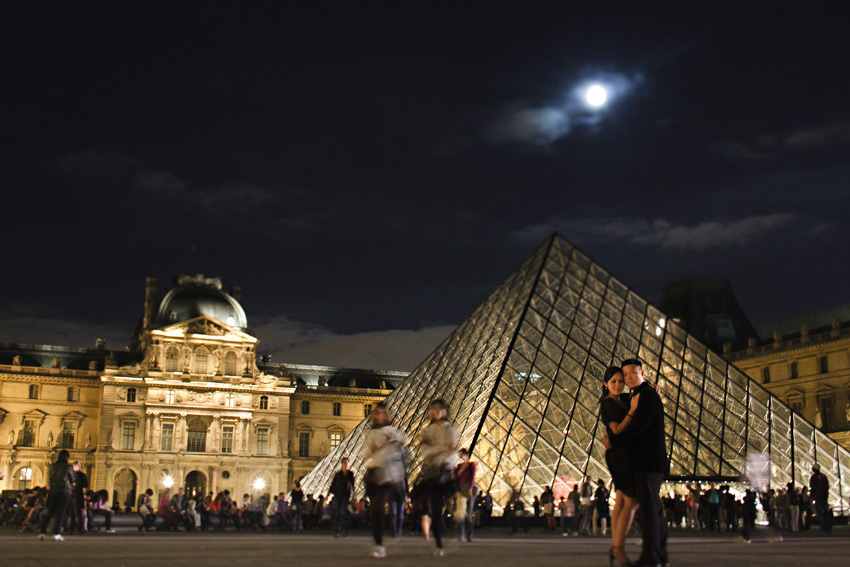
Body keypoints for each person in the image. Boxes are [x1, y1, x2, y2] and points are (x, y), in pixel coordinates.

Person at [609, 359, 669, 567]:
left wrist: (613, 441)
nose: (628, 377)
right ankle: (659, 557)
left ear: (642, 373)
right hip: (647, 464)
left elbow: (638, 429)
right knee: (654, 512)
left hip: (648, 463)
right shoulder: (638, 395)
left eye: (633, 372)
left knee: (650, 514)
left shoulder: (646, 396)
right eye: (625, 374)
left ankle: (651, 558)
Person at [600, 366, 641, 564]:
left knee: (622, 499)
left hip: (622, 453)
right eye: (613, 381)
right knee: (631, 501)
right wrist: (632, 411)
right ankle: (618, 547)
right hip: (620, 455)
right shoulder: (608, 404)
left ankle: (617, 546)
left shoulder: (623, 399)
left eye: (620, 380)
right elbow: (615, 430)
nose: (618, 385)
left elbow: (641, 390)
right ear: (605, 384)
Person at [364, 403, 407, 558]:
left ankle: (380, 543)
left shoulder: (395, 432)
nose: (379, 415)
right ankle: (378, 543)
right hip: (375, 473)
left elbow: (401, 447)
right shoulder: (372, 433)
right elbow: (368, 452)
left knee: (381, 509)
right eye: (376, 413)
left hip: (389, 475)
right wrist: (381, 445)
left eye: (382, 412)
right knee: (376, 510)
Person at [419, 399, 459, 556]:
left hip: (446, 469)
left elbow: (452, 448)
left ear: (445, 411)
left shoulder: (450, 429)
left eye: (438, 409)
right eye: (433, 409)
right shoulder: (426, 430)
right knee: (435, 510)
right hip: (434, 470)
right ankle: (438, 543)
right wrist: (443, 448)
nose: (435, 412)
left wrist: (434, 447)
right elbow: (429, 452)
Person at [39, 449, 75, 541]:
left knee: (50, 512)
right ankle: (56, 533)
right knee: (61, 512)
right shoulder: (68, 467)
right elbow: (73, 481)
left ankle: (42, 532)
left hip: (54, 491)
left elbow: (50, 478)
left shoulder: (52, 466)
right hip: (65, 491)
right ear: (67, 457)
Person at [454, 448, 477, 542]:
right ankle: (461, 534)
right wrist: (459, 471)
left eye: (462, 455)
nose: (461, 457)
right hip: (460, 490)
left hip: (469, 490)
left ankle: (469, 535)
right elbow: (455, 478)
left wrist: (470, 489)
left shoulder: (472, 465)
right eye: (460, 455)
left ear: (467, 455)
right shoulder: (459, 466)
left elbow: (472, 477)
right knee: (461, 513)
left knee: (469, 513)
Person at [329, 457, 355, 537]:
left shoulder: (350, 474)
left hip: (345, 496)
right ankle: (337, 530)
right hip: (337, 495)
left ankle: (344, 530)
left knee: (343, 512)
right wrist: (328, 495)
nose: (346, 464)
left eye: (347, 463)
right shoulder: (338, 474)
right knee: (337, 513)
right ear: (342, 464)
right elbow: (332, 485)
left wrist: (354, 494)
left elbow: (353, 485)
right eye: (345, 463)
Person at [809, 463, 831, 533]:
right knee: (825, 512)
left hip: (818, 497)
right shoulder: (824, 476)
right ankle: (827, 526)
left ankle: (823, 526)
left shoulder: (813, 478)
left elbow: (812, 488)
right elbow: (827, 487)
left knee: (819, 513)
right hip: (824, 497)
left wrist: (812, 495)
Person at [69, 461, 88, 534]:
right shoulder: (70, 474)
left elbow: (85, 484)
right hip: (71, 494)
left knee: (78, 513)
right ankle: (71, 528)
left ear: (79, 467)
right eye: (74, 466)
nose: (75, 467)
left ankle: (80, 528)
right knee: (71, 513)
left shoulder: (82, 475)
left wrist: (77, 485)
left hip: (78, 495)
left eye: (76, 466)